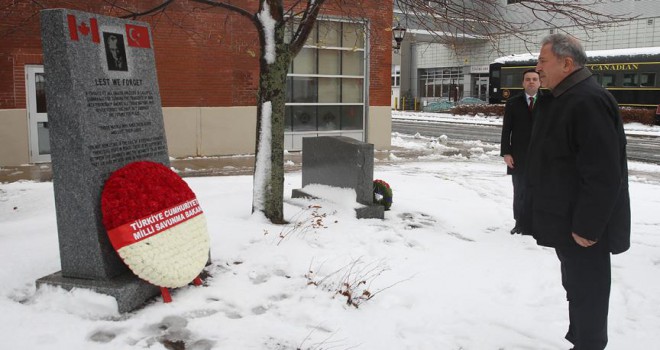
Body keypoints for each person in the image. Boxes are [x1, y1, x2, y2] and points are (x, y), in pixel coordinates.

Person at [523, 33, 631, 350]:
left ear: (566, 63)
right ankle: (581, 341)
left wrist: (587, 226)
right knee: (577, 287)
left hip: (583, 227)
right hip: (567, 220)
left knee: (590, 291)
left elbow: (603, 174)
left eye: (543, 61)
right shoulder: (564, 96)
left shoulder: (587, 100)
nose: (537, 68)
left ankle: (590, 344)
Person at [500, 68, 540, 234]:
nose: (531, 81)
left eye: (534, 79)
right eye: (528, 79)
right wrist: (506, 153)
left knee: (539, 192)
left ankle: (538, 224)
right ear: (523, 83)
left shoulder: (549, 101)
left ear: (540, 82)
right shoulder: (513, 102)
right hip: (519, 156)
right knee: (521, 192)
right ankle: (520, 224)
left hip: (542, 157)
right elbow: (506, 129)